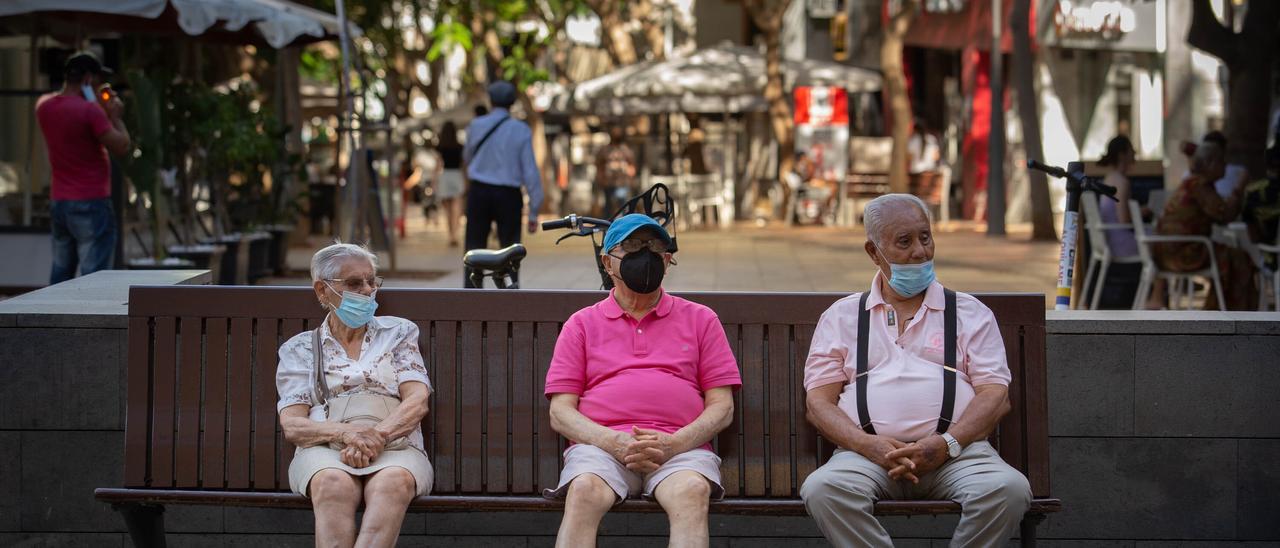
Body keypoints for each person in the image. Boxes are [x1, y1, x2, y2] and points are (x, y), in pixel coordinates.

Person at [800, 194, 1031, 547]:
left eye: (925, 237)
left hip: (960, 453)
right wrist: (867, 445)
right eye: (904, 242)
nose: (921, 252)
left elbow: (995, 396)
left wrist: (946, 444)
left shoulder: (970, 313)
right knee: (823, 490)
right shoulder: (842, 317)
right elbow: (818, 404)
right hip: (867, 456)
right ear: (874, 253)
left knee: (1009, 490)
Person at [543, 214, 741, 547]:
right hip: (601, 448)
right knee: (584, 490)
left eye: (655, 247)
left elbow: (722, 407)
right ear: (608, 262)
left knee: (692, 491)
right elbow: (560, 412)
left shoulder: (701, 319)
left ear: (667, 259)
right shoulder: (581, 324)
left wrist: (672, 444)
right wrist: (614, 443)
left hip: (680, 448)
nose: (645, 255)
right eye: (633, 246)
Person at [276, 243, 433, 545]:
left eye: (372, 281)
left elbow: (416, 401)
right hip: (325, 449)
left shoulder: (398, 332)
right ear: (322, 290)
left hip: (396, 445)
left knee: (393, 482)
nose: (367, 290)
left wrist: (375, 437)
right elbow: (293, 425)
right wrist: (348, 434)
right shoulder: (300, 349)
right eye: (353, 283)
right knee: (332, 483)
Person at [36, 51, 131, 283]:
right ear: (88, 80)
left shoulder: (44, 106)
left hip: (60, 200)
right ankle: (88, 319)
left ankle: (52, 316)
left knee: (61, 271)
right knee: (93, 276)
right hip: (91, 200)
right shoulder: (91, 112)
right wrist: (115, 116)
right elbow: (122, 146)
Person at [1149, 141, 1250, 309]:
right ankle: (1227, 313)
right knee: (1239, 258)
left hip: (1163, 252)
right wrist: (1239, 187)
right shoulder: (1200, 186)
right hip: (1183, 254)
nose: (1225, 166)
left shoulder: (1191, 183)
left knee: (1232, 254)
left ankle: (1220, 310)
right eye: (1221, 161)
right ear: (1210, 164)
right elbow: (1224, 215)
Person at [462, 81, 544, 286]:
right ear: (512, 103)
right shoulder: (521, 129)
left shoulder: (476, 125)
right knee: (511, 249)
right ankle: (510, 294)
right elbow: (530, 170)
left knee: (473, 247)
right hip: (509, 195)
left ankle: (470, 296)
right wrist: (534, 210)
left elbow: (467, 156)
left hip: (479, 190)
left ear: (490, 101)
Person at [1092, 136, 1142, 308]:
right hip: (1120, 243)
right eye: (1131, 150)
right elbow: (1124, 220)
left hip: (1108, 240)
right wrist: (1142, 211)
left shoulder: (1108, 178)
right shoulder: (1122, 182)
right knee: (1159, 245)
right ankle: (1156, 297)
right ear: (1122, 155)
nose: (1135, 153)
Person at [594, 126, 636, 218]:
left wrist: (625, 170)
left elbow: (632, 167)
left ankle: (625, 227)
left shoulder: (625, 150)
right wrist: (601, 179)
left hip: (622, 184)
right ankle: (607, 227)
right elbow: (599, 165)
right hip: (608, 184)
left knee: (623, 207)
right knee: (608, 208)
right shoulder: (604, 150)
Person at [436, 121, 466, 247]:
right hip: (457, 175)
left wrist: (434, 181)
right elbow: (464, 165)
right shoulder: (460, 147)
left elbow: (438, 165)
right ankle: (455, 234)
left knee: (448, 209)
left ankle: (451, 234)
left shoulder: (441, 147)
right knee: (457, 207)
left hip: (446, 176)